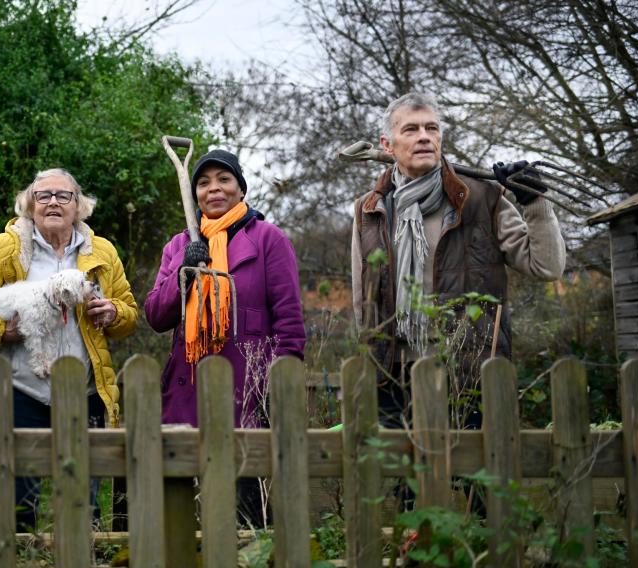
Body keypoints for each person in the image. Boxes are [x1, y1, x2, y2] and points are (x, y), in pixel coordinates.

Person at [351, 92, 565, 509]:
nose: (424, 136)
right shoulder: (369, 209)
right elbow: (363, 300)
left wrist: (534, 200)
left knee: (486, 499)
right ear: (386, 144)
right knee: (408, 502)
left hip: (473, 374)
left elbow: (547, 266)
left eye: (432, 128)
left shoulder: (481, 198)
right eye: (410, 129)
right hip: (396, 377)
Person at [0, 168, 137, 532]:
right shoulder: (4, 248)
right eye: (43, 195)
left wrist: (113, 312)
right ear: (30, 204)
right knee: (17, 503)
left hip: (84, 393)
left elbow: (129, 313)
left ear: (79, 206)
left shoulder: (102, 252)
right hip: (20, 393)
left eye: (64, 196)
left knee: (83, 504)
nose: (53, 203)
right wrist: (0, 330)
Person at [145, 149, 306, 529]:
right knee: (184, 513)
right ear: (195, 193)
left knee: (247, 514)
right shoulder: (178, 244)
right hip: (187, 389)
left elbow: (289, 321)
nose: (213, 189)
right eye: (203, 182)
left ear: (240, 187)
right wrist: (184, 269)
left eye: (223, 179)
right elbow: (155, 315)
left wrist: (278, 385)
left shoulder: (269, 239)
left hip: (247, 392)